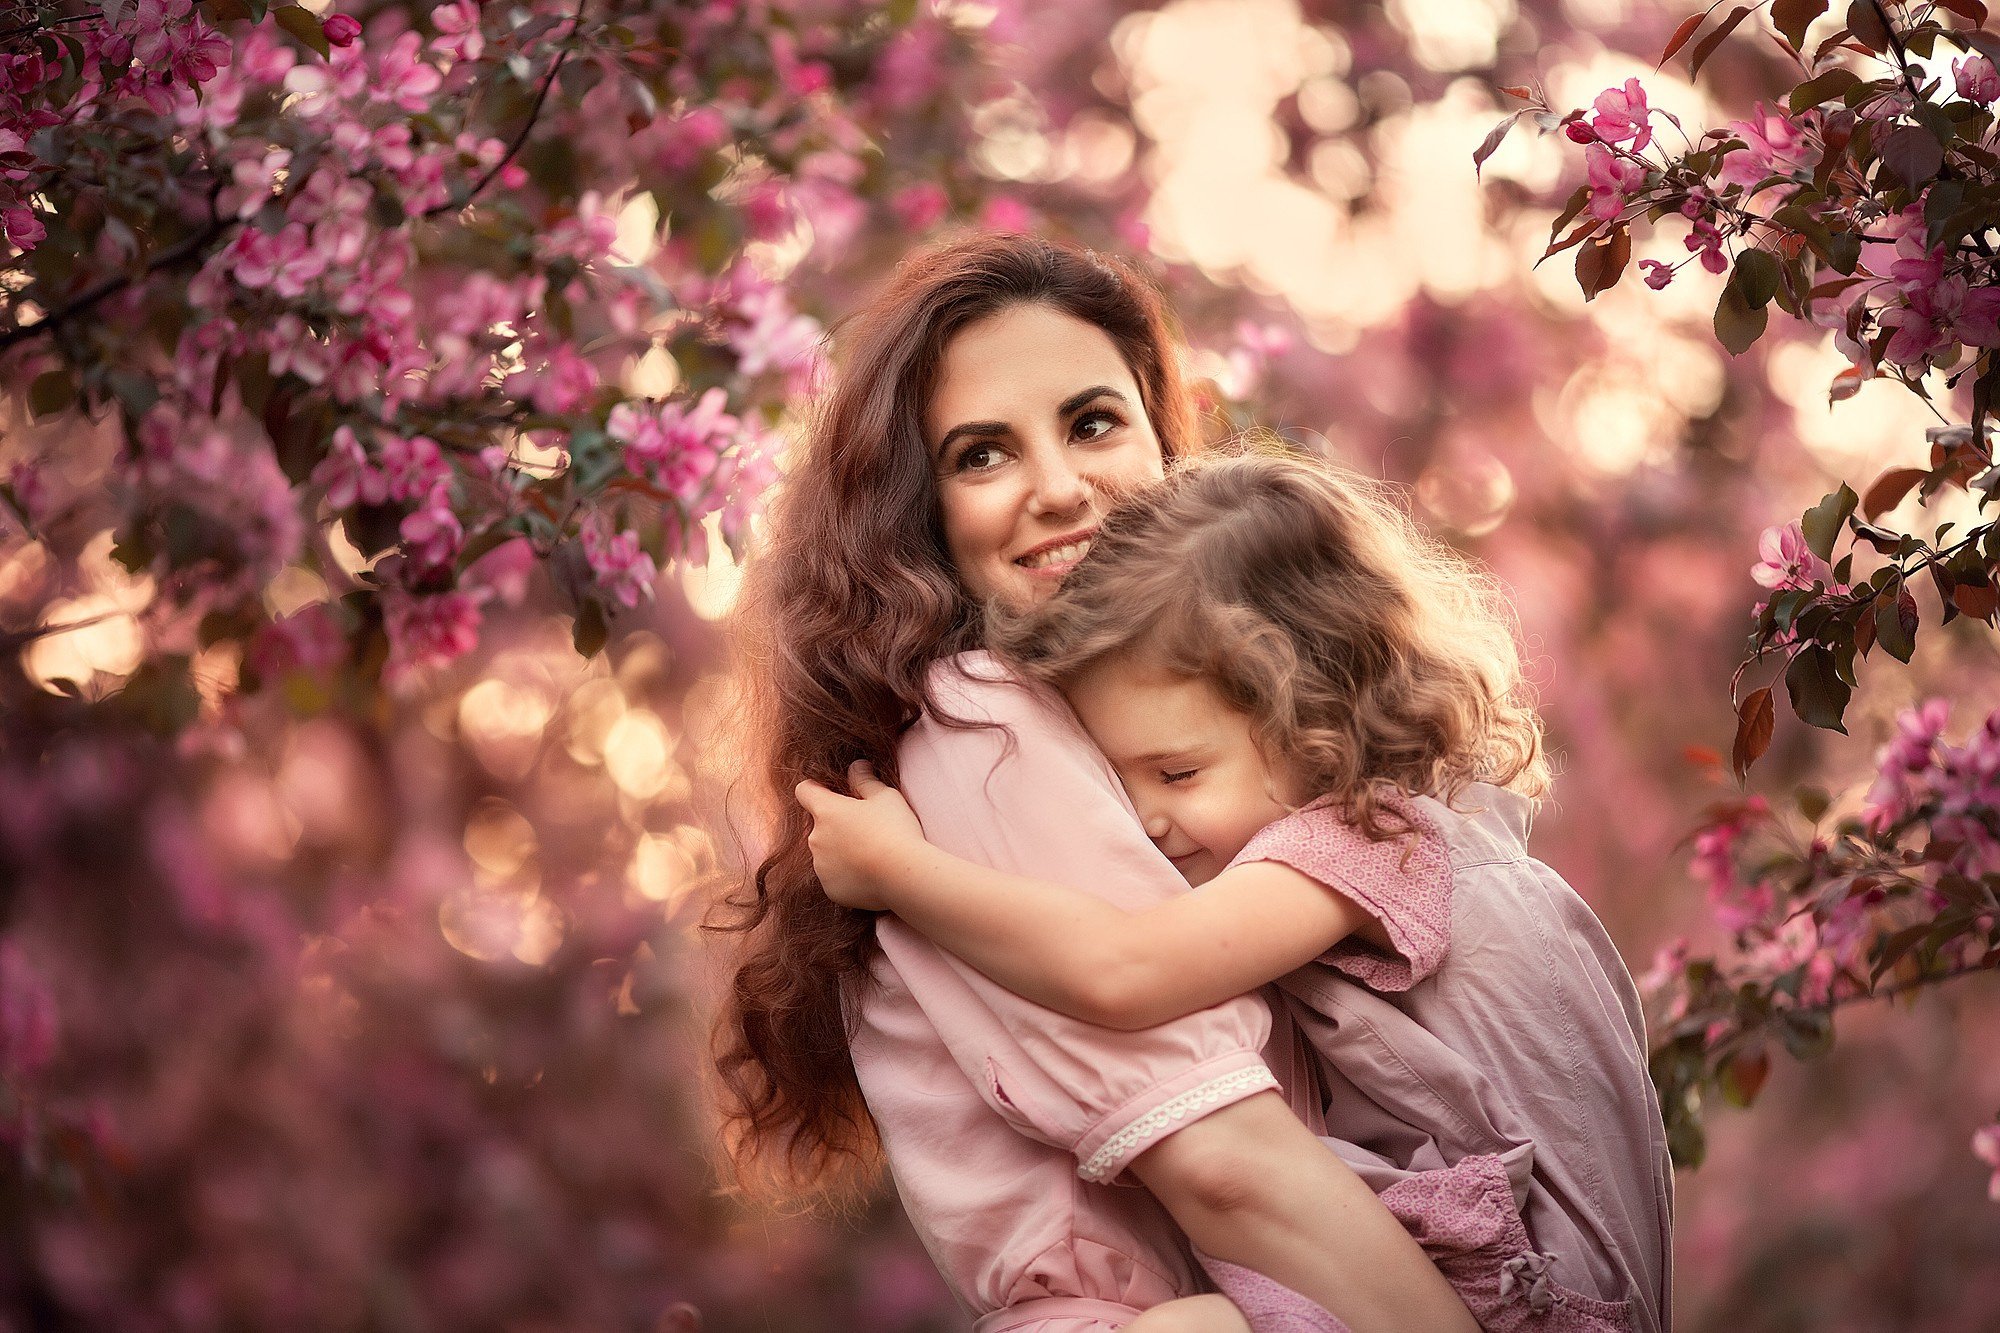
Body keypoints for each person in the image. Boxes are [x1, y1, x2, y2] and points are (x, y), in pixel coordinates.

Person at [710, 234, 1479, 1333]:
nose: (1060, 489)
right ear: (914, 513)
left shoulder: (1123, 706)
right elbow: (1223, 1162)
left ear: (1164, 438)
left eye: (1091, 423)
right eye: (981, 455)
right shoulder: (982, 723)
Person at [796, 451, 1675, 1333]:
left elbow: (1123, 968)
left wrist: (900, 872)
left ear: (1316, 715)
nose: (1149, 820)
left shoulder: (1371, 844)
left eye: (1177, 771)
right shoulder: (1415, 844)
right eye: (1124, 783)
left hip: (1528, 1300)